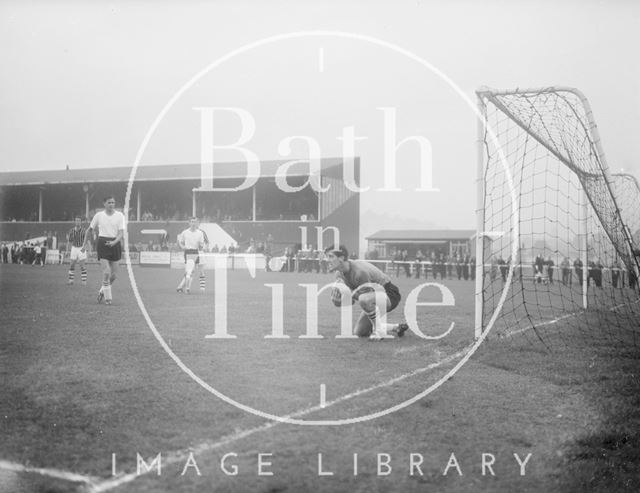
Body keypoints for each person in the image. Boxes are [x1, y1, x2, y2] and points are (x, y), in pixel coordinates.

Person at [326, 245, 408, 341]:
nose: (327, 260)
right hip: (372, 297)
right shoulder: (339, 274)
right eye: (327, 257)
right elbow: (352, 301)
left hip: (389, 293)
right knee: (359, 332)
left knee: (364, 299)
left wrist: (347, 293)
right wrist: (338, 301)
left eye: (331, 256)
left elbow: (365, 298)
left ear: (341, 258)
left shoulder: (360, 272)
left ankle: (379, 332)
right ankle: (396, 327)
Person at [84, 196, 125, 305]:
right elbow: (89, 230)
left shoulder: (120, 215)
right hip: (102, 243)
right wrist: (84, 245)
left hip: (115, 243)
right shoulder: (99, 216)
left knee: (114, 276)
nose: (111, 204)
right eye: (109, 202)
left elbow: (121, 233)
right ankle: (108, 299)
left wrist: (114, 242)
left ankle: (102, 291)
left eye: (113, 202)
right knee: (106, 272)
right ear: (104, 204)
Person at [176, 217, 207, 294]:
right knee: (189, 272)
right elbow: (180, 242)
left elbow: (201, 245)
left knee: (191, 272)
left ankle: (182, 288)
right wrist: (182, 247)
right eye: (192, 222)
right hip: (188, 252)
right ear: (189, 223)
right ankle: (185, 288)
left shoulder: (200, 233)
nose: (193, 223)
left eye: (195, 222)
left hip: (195, 252)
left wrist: (202, 246)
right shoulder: (185, 232)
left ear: (197, 223)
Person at [67, 216, 88, 285]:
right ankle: (71, 281)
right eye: (76, 220)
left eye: (79, 220)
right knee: (72, 265)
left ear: (81, 222)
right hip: (74, 248)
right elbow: (69, 241)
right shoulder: (71, 230)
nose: (77, 222)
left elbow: (87, 241)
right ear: (75, 222)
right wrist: (67, 250)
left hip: (81, 248)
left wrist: (88, 249)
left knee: (82, 265)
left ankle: (84, 282)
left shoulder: (84, 230)